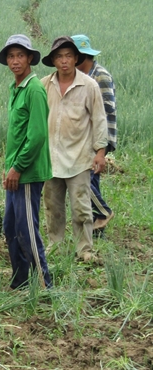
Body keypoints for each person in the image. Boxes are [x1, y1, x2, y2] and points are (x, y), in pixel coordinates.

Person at [40, 36, 108, 263]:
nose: (64, 61)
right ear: (53, 61)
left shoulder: (89, 86)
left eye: (69, 55)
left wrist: (100, 152)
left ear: (76, 58)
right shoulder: (44, 85)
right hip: (50, 158)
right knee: (53, 207)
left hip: (79, 157)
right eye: (59, 56)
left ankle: (85, 249)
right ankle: (56, 246)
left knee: (81, 207)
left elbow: (99, 120)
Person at [0, 34, 52, 290]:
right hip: (14, 172)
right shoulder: (15, 88)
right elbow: (17, 134)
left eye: (20, 55)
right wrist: (9, 168)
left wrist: (17, 167)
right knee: (10, 227)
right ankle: (20, 282)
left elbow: (37, 135)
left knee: (27, 230)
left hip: (27, 174)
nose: (15, 61)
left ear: (30, 58)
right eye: (10, 56)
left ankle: (44, 286)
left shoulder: (34, 89)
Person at [72, 34, 116, 235]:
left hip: (96, 139)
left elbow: (108, 113)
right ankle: (97, 228)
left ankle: (103, 212)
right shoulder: (78, 76)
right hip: (82, 139)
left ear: (83, 57)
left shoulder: (100, 77)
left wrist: (103, 147)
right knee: (91, 179)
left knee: (85, 180)